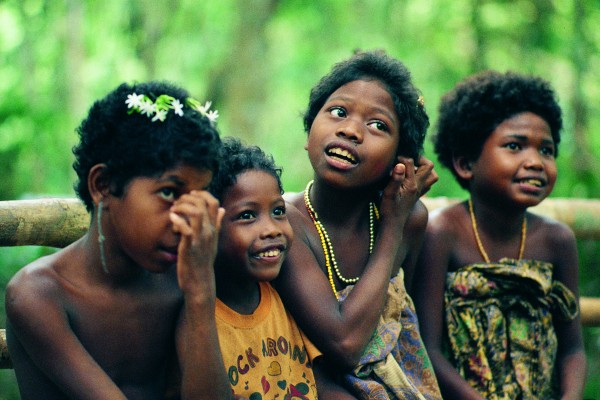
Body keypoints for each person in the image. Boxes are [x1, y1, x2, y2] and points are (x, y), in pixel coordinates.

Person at [5, 81, 232, 400]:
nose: (185, 220)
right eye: (169, 192)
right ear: (103, 185)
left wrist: (200, 294)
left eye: (198, 198)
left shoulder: (181, 280)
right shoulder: (39, 295)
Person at [273, 50, 442, 399]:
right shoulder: (284, 221)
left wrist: (397, 219)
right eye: (338, 112)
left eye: (378, 125)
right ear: (309, 132)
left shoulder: (410, 219)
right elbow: (346, 343)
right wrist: (392, 226)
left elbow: (402, 329)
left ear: (401, 161)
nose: (350, 130)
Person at [413, 70, 587, 399]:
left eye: (546, 150)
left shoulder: (557, 241)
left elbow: (573, 349)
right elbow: (428, 350)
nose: (535, 161)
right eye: (514, 146)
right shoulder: (443, 233)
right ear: (466, 164)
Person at [177, 136, 323, 399]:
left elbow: (317, 379)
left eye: (278, 211)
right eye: (247, 215)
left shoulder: (282, 297)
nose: (271, 229)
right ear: (208, 228)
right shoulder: (195, 318)